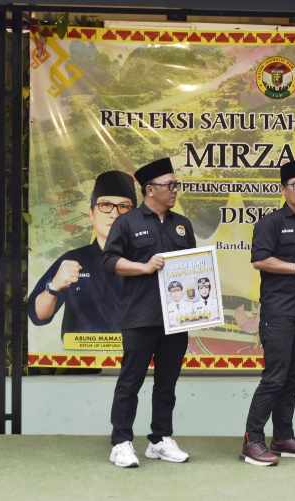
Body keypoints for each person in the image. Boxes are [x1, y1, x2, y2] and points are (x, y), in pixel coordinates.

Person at [103, 157, 196, 468]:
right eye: (170, 185)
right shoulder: (127, 223)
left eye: (176, 185)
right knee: (130, 381)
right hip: (140, 316)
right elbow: (110, 261)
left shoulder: (182, 224)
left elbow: (194, 266)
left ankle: (160, 439)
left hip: (176, 318)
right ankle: (121, 442)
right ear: (150, 189)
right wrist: (143, 267)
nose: (175, 190)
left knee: (167, 382)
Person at [241, 159, 295, 467]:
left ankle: (283, 437)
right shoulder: (271, 223)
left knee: (294, 378)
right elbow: (260, 260)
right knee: (275, 377)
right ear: (283, 189)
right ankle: (252, 440)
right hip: (279, 312)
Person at [27, 170, 136, 336]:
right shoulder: (72, 260)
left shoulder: (147, 260)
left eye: (123, 206)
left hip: (138, 351)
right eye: (105, 205)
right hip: (83, 351)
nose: (114, 214)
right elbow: (38, 316)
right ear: (91, 214)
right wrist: (54, 286)